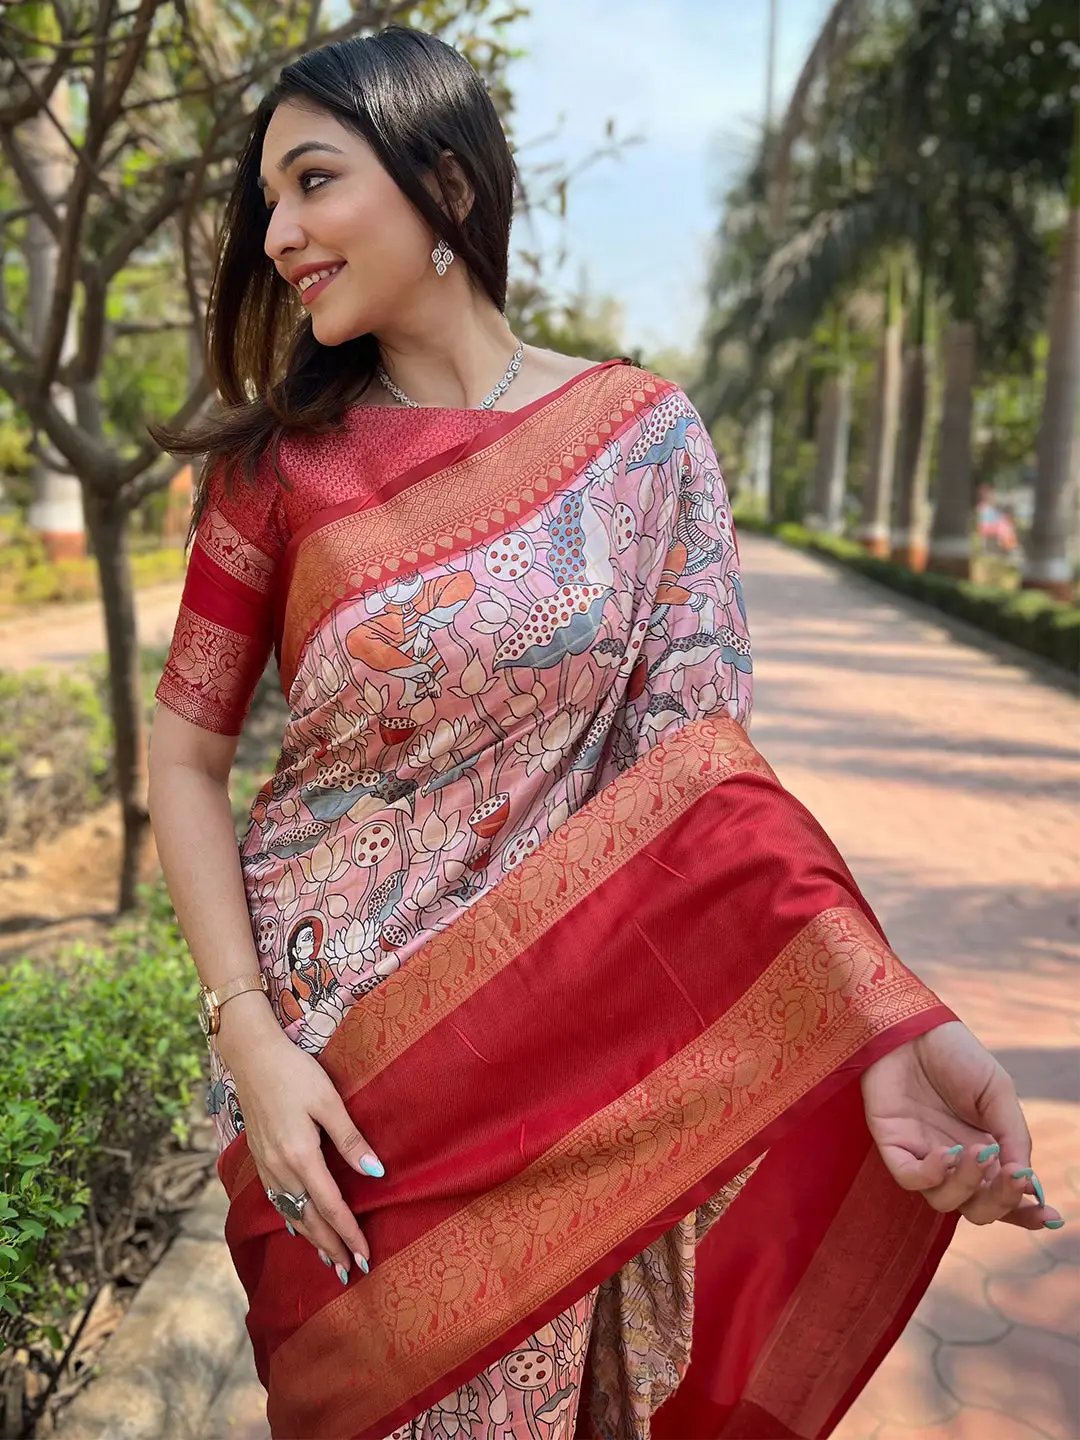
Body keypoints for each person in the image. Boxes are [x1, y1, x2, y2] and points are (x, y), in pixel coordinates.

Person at [146, 26, 1062, 1440]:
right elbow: (184, 754)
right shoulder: (277, 473)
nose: (277, 235)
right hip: (337, 1087)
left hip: (572, 1064)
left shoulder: (645, 441)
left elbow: (708, 792)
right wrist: (250, 1043)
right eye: (267, 200)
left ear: (447, 184)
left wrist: (875, 1023)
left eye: (313, 182)